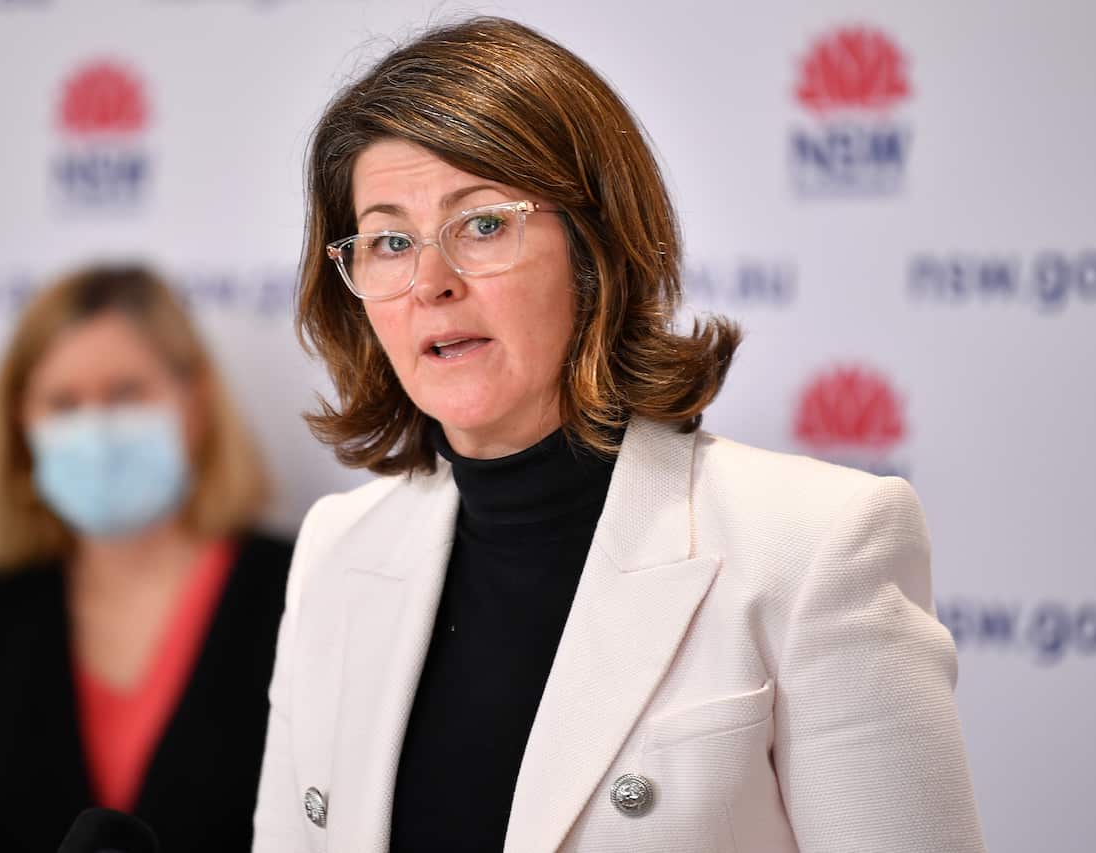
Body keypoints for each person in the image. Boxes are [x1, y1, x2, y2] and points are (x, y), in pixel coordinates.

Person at [253, 16, 985, 853]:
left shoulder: (816, 544)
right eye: (390, 241)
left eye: (483, 224)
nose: (430, 282)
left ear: (594, 250)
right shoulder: (337, 548)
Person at [0, 265, 292, 853]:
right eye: (63, 403)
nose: (96, 430)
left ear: (195, 403)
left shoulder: (298, 589)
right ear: (21, 423)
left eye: (126, 394)